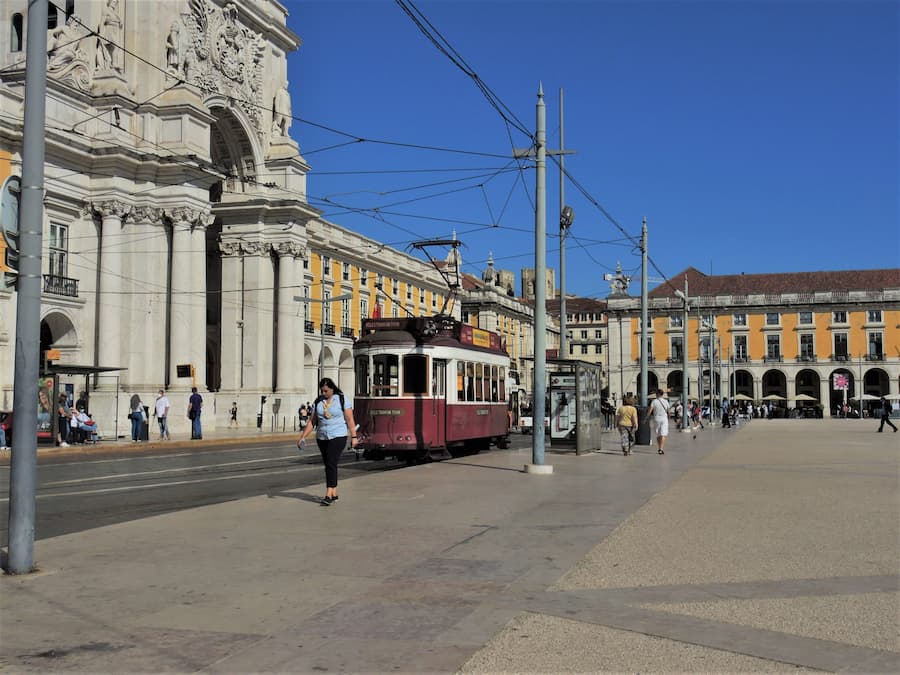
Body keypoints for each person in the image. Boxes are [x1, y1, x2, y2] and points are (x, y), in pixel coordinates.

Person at [297, 377, 358, 505]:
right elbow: (312, 421)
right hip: (322, 437)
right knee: (329, 464)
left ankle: (328, 494)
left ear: (332, 388)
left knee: (331, 462)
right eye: (322, 391)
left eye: (326, 391)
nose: (324, 393)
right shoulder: (318, 401)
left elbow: (350, 419)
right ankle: (334, 492)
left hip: (338, 435)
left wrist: (354, 436)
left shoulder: (341, 399)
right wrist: (303, 437)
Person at [648, 389, 670, 455]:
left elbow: (650, 411)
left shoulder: (654, 401)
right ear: (662, 394)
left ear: (657, 394)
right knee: (663, 433)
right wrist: (668, 417)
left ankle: (659, 447)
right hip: (664, 419)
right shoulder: (666, 401)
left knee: (658, 434)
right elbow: (668, 411)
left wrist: (646, 418)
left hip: (656, 418)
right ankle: (661, 448)